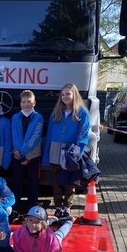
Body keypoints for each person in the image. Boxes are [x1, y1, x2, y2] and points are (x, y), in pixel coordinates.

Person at [42, 83, 90, 219]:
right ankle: (57, 207)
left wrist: (77, 153)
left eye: (68, 94)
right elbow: (50, 134)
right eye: (63, 94)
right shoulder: (56, 112)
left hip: (70, 153)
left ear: (74, 94)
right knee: (56, 182)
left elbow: (83, 135)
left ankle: (67, 208)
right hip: (55, 152)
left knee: (69, 182)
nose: (65, 97)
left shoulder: (82, 113)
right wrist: (47, 155)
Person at [11, 90, 44, 219]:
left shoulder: (38, 118)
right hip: (18, 157)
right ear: (20, 103)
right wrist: (20, 154)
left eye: (29, 102)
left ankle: (31, 210)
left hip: (33, 158)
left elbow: (35, 137)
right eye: (24, 102)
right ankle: (15, 209)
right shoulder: (15, 118)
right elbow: (15, 136)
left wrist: (25, 154)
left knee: (33, 184)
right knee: (17, 184)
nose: (26, 104)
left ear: (34, 103)